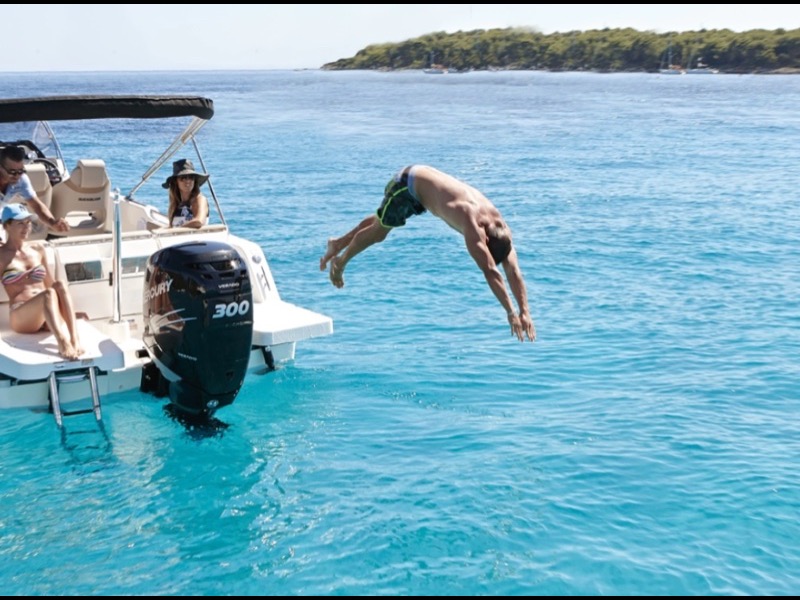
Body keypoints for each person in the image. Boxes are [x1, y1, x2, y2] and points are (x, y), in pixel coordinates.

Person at [320, 165, 536, 342]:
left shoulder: (500, 229)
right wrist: (510, 312)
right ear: (484, 240)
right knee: (379, 232)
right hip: (406, 184)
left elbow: (512, 269)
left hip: (422, 189)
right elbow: (490, 271)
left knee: (383, 220)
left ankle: (337, 244)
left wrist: (524, 311)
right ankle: (341, 262)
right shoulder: (472, 222)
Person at [0, 203, 84, 360]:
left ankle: (75, 339)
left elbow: (50, 283)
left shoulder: (37, 249)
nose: (26, 228)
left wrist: (70, 313)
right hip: (22, 317)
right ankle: (63, 342)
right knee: (48, 294)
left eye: (28, 222)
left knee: (59, 285)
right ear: (7, 226)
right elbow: (49, 292)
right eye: (20, 223)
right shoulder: (1, 255)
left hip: (47, 315)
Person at [0, 145, 69, 234]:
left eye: (21, 171)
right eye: (12, 172)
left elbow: (37, 206)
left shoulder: (21, 180)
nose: (17, 176)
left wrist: (52, 223)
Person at [162, 158, 209, 228]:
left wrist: (177, 230)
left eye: (191, 177)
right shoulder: (176, 205)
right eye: (183, 177)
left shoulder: (200, 199)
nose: (188, 180)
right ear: (176, 181)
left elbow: (199, 221)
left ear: (194, 180)